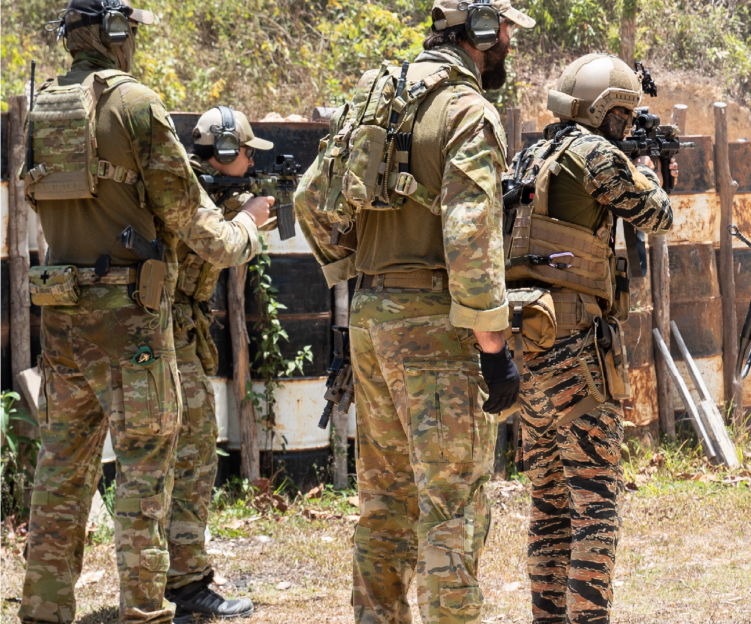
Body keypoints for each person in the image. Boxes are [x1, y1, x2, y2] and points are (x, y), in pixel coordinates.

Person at [18, 1, 268, 623]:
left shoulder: (44, 107)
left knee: (60, 473)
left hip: (60, 313)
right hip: (129, 321)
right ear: (115, 33)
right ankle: (144, 612)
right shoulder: (135, 104)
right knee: (144, 474)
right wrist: (246, 231)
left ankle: (43, 610)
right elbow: (198, 227)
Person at [290, 1, 535, 622]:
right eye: (505, 29)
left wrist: (360, 269)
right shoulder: (467, 112)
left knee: (385, 501)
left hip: (371, 320)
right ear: (480, 32)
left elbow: (308, 201)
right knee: (451, 504)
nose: (509, 40)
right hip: (435, 329)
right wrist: (496, 351)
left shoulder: (382, 97)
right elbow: (472, 242)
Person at [506, 53, 675, 624]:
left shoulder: (532, 155)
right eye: (623, 116)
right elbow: (659, 216)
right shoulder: (598, 155)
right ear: (607, 112)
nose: (625, 127)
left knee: (550, 505)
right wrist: (648, 171)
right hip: (577, 347)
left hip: (527, 344)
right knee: (595, 506)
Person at [160, 106, 278, 621]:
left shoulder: (184, 182)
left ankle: (163, 582)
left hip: (161, 333)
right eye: (245, 152)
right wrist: (249, 219)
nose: (251, 160)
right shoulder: (189, 192)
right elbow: (219, 247)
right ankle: (187, 587)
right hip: (168, 338)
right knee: (191, 460)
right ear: (226, 152)